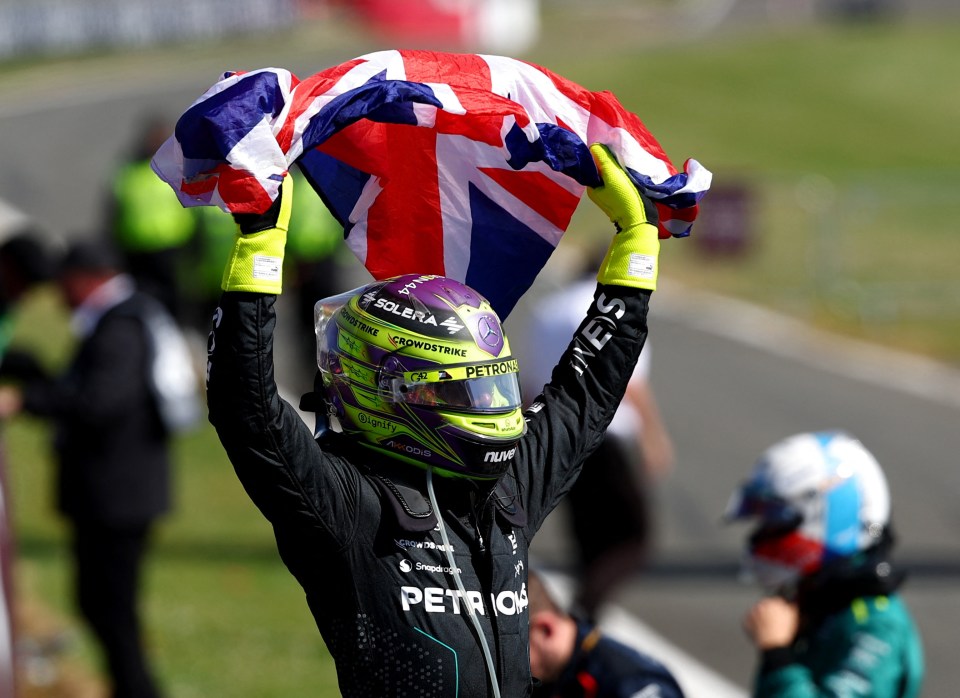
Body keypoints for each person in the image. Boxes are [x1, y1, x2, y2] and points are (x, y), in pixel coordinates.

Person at [204, 142, 665, 696]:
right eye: (470, 388)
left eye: (495, 381)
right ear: (396, 392)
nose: (495, 406)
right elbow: (245, 410)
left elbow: (584, 395)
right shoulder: (348, 504)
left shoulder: (504, 490)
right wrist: (258, 250)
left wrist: (636, 250)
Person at [0, 240, 197, 698]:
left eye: (66, 285)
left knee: (112, 611)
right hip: (113, 493)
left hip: (118, 496)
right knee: (100, 606)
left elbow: (100, 401)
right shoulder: (125, 318)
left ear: (89, 279)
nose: (60, 297)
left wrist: (25, 400)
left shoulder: (121, 325)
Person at [517, 259, 675, 620]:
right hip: (605, 437)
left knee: (586, 537)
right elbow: (628, 377)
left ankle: (580, 617)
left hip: (556, 435)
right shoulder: (613, 305)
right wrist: (653, 435)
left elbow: (531, 381)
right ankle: (582, 616)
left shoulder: (549, 309)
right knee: (631, 539)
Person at [724, 430, 924, 698]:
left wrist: (777, 656)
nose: (763, 534)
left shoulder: (878, 628)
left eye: (776, 521)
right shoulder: (821, 601)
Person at [527, 569, 685, 697]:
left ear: (545, 629)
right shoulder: (557, 673)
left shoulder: (631, 682)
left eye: (509, 653)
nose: (505, 669)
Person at [105, 116, 197, 321]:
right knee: (140, 305)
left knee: (176, 305)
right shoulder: (128, 171)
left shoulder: (181, 167)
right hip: (135, 252)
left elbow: (197, 208)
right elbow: (113, 210)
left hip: (172, 250)